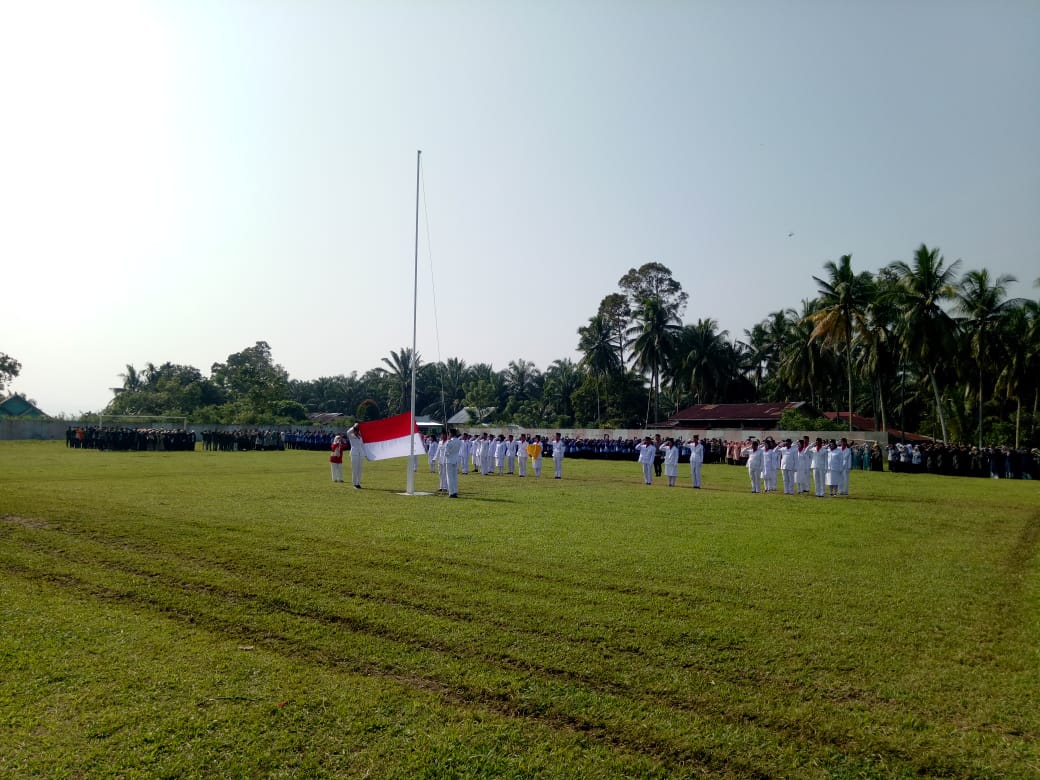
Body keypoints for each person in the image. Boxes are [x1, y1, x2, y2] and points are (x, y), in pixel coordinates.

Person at [443, 429, 463, 498]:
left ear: (451, 434)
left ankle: (451, 493)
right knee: (455, 477)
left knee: (449, 477)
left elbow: (446, 453)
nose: (448, 435)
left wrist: (448, 441)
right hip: (456, 460)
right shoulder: (459, 441)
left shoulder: (449, 442)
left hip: (449, 461)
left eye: (449, 433)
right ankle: (455, 491)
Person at [346, 424, 365, 489]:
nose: (356, 431)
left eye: (357, 430)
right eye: (355, 430)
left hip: (360, 454)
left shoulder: (360, 436)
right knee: (354, 469)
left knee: (359, 469)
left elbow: (362, 445)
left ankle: (358, 483)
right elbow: (348, 432)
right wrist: (354, 426)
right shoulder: (351, 436)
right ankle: (354, 483)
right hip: (354, 454)